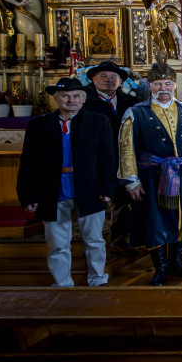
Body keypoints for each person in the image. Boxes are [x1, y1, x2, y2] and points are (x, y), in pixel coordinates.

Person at [18, 78, 116, 287]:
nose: (71, 100)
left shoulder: (99, 122)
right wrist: (29, 194)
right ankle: (63, 283)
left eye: (76, 96)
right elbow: (28, 162)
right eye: (65, 96)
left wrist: (107, 188)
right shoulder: (39, 125)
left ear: (83, 99)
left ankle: (97, 278)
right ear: (56, 99)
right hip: (52, 191)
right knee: (57, 243)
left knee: (94, 239)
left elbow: (108, 159)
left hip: (89, 189)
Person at [119, 61, 182, 285]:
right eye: (157, 84)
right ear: (149, 86)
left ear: (174, 84)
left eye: (167, 83)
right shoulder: (136, 113)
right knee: (156, 221)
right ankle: (160, 267)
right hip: (152, 176)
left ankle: (177, 262)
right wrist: (131, 181)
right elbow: (126, 148)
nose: (163, 88)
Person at [81, 60, 139, 250]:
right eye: (103, 77)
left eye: (113, 77)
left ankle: (120, 242)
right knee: (95, 205)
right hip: (96, 162)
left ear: (121, 81)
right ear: (94, 80)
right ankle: (93, 246)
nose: (108, 80)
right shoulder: (85, 103)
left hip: (123, 159)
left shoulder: (130, 102)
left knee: (123, 203)